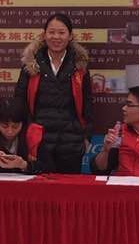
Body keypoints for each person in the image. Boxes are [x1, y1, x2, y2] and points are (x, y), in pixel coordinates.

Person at [14, 12, 92, 173]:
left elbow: (87, 105)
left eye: (61, 32)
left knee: (68, 187)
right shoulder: (31, 65)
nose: (56, 37)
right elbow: (20, 102)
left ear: (70, 36)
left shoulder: (79, 66)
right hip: (39, 143)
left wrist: (86, 137)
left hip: (71, 143)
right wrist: (26, 136)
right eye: (51, 32)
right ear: (44, 35)